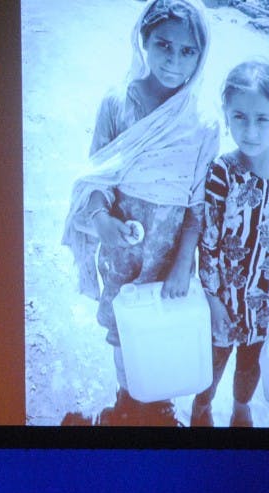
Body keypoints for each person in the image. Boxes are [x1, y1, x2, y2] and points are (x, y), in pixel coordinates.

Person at [61, 0, 219, 426]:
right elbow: (95, 175)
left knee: (163, 328)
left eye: (188, 51)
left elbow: (197, 202)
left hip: (170, 254)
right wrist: (101, 221)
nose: (174, 60)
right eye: (164, 44)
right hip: (122, 254)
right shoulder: (117, 104)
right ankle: (127, 398)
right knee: (124, 328)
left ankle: (157, 400)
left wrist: (184, 261)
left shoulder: (202, 124)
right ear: (143, 40)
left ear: (200, 55)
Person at [191, 60, 269, 427]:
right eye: (239, 117)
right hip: (224, 303)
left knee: (250, 365)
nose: (250, 130)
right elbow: (208, 242)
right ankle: (202, 406)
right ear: (227, 116)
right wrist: (213, 300)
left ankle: (241, 407)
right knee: (211, 363)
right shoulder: (222, 173)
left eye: (262, 119)